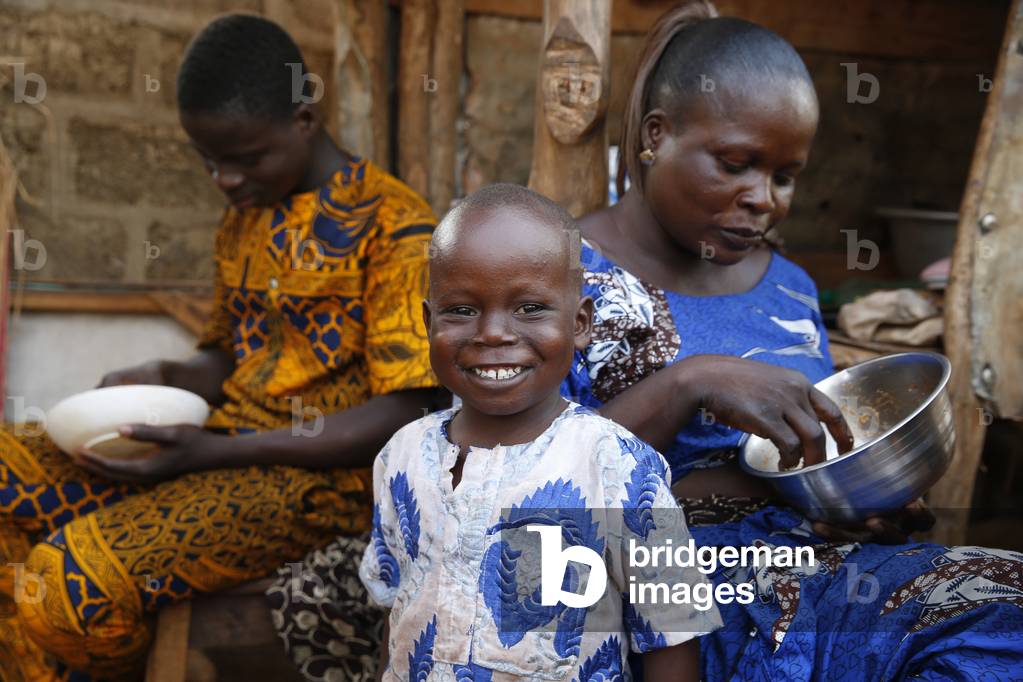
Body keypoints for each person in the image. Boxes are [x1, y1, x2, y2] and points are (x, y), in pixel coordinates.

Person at [562, 3, 1023, 680]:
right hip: (650, 596)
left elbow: (805, 458)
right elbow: (520, 478)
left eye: (783, 176)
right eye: (735, 163)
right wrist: (689, 381)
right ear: (656, 136)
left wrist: (857, 503)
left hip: (807, 572)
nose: (763, 199)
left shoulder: (792, 291)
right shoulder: (560, 275)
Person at [0, 14, 442, 681]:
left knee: (68, 583)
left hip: (322, 487)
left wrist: (218, 452)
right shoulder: (246, 218)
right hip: (220, 450)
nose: (224, 181)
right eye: (208, 161)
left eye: (244, 157)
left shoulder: (395, 228)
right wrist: (165, 374)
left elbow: (406, 411)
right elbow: (229, 357)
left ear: (304, 117)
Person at [360, 183, 721, 681]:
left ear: (579, 323)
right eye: (461, 310)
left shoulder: (617, 466)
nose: (493, 333)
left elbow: (672, 636)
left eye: (530, 308)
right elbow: (396, 611)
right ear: (427, 322)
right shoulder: (400, 456)